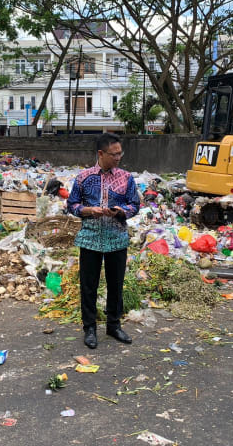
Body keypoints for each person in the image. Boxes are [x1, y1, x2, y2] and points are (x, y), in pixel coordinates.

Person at [67, 133, 140, 349]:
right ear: (101, 153)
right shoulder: (83, 177)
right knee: (88, 286)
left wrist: (121, 211)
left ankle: (114, 325)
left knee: (115, 284)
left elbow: (135, 205)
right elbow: (72, 204)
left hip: (117, 239)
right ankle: (89, 328)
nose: (118, 158)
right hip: (90, 239)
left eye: (120, 153)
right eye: (114, 154)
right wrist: (88, 210)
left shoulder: (127, 178)